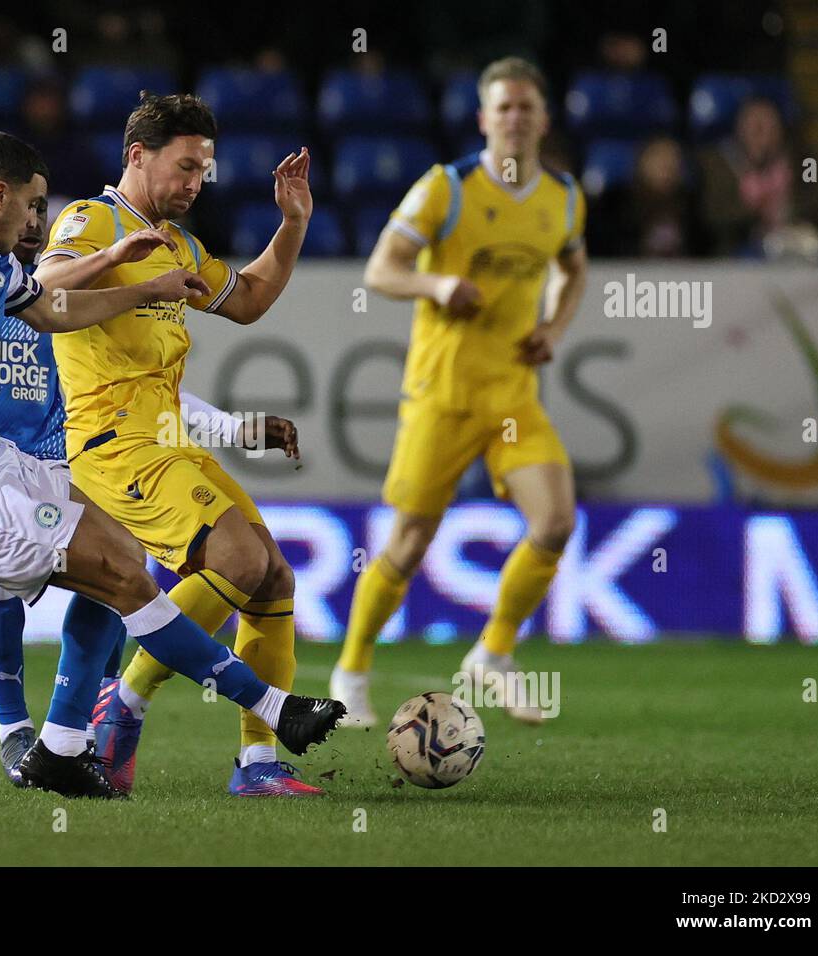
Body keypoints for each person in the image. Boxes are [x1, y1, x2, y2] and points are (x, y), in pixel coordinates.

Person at [0, 130, 344, 796]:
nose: (38, 223)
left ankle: (62, 747)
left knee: (124, 564)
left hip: (2, 462)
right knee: (117, 578)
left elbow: (53, 308)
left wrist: (141, 284)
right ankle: (263, 710)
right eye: (33, 206)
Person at [37, 92, 320, 797]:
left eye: (205, 172)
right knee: (240, 557)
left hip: (167, 441)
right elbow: (42, 289)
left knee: (274, 579)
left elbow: (249, 299)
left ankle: (257, 765)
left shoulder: (181, 243)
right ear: (138, 155)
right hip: (111, 446)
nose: (196, 184)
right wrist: (121, 261)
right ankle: (124, 699)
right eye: (185, 167)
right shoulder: (89, 219)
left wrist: (293, 225)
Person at [330, 57, 589, 726]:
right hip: (441, 393)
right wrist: (437, 285)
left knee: (556, 521)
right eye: (502, 107)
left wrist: (555, 327)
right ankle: (351, 670)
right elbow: (382, 268)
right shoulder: (446, 188)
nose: (514, 118)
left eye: (526, 107)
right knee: (410, 543)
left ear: (543, 119)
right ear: (483, 119)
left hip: (512, 395)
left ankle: (493, 654)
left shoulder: (563, 198)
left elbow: (573, 268)